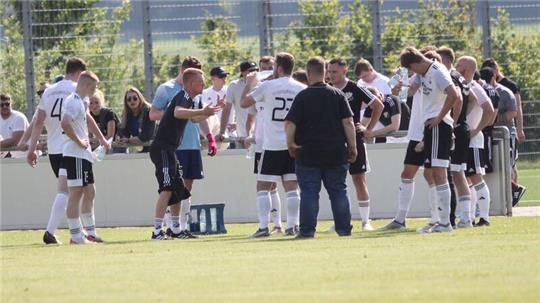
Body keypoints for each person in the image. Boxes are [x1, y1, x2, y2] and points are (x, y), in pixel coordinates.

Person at [284, 56, 357, 238]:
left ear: (308, 73)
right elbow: (348, 122)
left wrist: (290, 144)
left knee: (309, 193)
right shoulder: (337, 95)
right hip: (335, 152)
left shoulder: (302, 96)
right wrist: (353, 147)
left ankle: (307, 231)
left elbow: (290, 124)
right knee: (338, 190)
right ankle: (344, 229)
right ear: (325, 72)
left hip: (308, 153)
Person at [149, 68, 223, 240]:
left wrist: (209, 111)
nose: (204, 84)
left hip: (170, 149)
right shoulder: (183, 96)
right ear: (190, 83)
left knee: (178, 189)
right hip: (162, 149)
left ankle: (176, 229)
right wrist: (203, 111)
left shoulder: (191, 99)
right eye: (201, 81)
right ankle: (157, 231)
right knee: (166, 188)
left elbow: (194, 119)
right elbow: (177, 112)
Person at [240, 52, 306, 237]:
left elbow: (244, 103)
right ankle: (293, 226)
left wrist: (249, 84)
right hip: (292, 143)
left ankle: (263, 227)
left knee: (263, 187)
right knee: (292, 187)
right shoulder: (301, 88)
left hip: (271, 145)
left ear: (279, 68)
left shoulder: (268, 86)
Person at [379, 47, 445, 232]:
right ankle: (400, 219)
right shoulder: (417, 78)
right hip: (416, 133)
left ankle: (438, 218)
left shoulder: (437, 77)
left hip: (432, 130)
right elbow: (397, 93)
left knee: (434, 174)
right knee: (408, 174)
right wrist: (398, 75)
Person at [398, 47, 461, 233]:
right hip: (430, 126)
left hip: (438, 126)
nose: (411, 74)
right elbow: (407, 93)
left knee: (439, 173)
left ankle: (445, 223)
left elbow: (454, 95)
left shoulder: (437, 71)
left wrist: (440, 117)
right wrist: (398, 85)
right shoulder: (422, 73)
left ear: (414, 64)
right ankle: (441, 222)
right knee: (434, 172)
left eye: (410, 70)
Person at [25, 57, 87, 244]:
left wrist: (31, 148)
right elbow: (86, 118)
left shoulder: (49, 91)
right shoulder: (77, 91)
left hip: (53, 149)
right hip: (71, 147)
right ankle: (54, 233)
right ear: (79, 73)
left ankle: (74, 231)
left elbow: (38, 122)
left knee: (68, 191)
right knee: (70, 191)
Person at [327, 57, 383, 231]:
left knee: (359, 179)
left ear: (345, 71)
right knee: (335, 182)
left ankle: (366, 221)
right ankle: (341, 220)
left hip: (354, 139)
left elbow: (378, 105)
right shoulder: (326, 90)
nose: (330, 75)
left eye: (334, 72)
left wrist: (368, 129)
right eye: (329, 71)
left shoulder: (355, 88)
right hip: (333, 141)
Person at [60, 71, 111, 244]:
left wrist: (102, 140)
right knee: (76, 193)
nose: (95, 90)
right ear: (87, 85)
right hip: (74, 153)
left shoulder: (84, 101)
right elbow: (65, 123)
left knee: (90, 191)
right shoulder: (72, 102)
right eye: (94, 86)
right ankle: (75, 236)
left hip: (84, 154)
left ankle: (90, 233)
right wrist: (79, 140)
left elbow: (87, 118)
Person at [435, 46, 474, 228]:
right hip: (462, 127)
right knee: (459, 173)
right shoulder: (462, 78)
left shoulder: (449, 77)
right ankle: (466, 217)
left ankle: (464, 218)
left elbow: (457, 99)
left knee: (456, 174)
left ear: (445, 61)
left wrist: (454, 121)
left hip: (456, 128)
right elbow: (471, 99)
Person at [455, 56, 495, 227]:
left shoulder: (474, 87)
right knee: (466, 178)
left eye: (459, 64)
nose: (456, 66)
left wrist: (477, 130)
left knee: (475, 177)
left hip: (473, 140)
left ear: (466, 68)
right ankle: (468, 217)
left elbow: (490, 110)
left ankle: (484, 217)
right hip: (463, 140)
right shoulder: (462, 86)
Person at [481, 58, 526, 205]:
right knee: (497, 165)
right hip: (492, 133)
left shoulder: (508, 89)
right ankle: (509, 194)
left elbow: (515, 111)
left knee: (509, 164)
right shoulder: (485, 89)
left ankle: (513, 194)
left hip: (507, 132)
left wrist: (520, 129)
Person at [217, 61, 257, 144]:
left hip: (260, 136)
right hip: (242, 136)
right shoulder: (234, 86)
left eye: (256, 70)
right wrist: (222, 132)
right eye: (250, 70)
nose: (254, 73)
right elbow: (227, 109)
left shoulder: (261, 84)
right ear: (242, 72)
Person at [116, 87, 155, 153]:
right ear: (126, 102)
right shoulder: (127, 114)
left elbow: (145, 137)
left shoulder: (148, 111)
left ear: (140, 99)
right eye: (129, 99)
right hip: (144, 148)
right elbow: (123, 135)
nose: (132, 101)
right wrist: (123, 120)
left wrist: (128, 140)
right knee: (118, 149)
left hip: (155, 146)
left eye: (135, 98)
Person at [477, 67, 500, 174]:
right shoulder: (494, 91)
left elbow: (489, 114)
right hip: (487, 130)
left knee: (481, 167)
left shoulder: (480, 89)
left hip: (481, 130)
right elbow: (493, 116)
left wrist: (477, 128)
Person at [201, 67, 229, 137]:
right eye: (221, 76)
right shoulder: (204, 93)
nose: (224, 78)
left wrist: (236, 123)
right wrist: (217, 106)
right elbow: (202, 114)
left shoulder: (230, 90)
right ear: (212, 78)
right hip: (210, 134)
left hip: (228, 133)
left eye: (225, 76)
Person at [0, 94, 29, 158]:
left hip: (27, 155)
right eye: (1, 105)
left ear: (11, 104)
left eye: (7, 104)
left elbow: (16, 141)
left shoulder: (19, 117)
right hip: (12, 156)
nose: (4, 106)